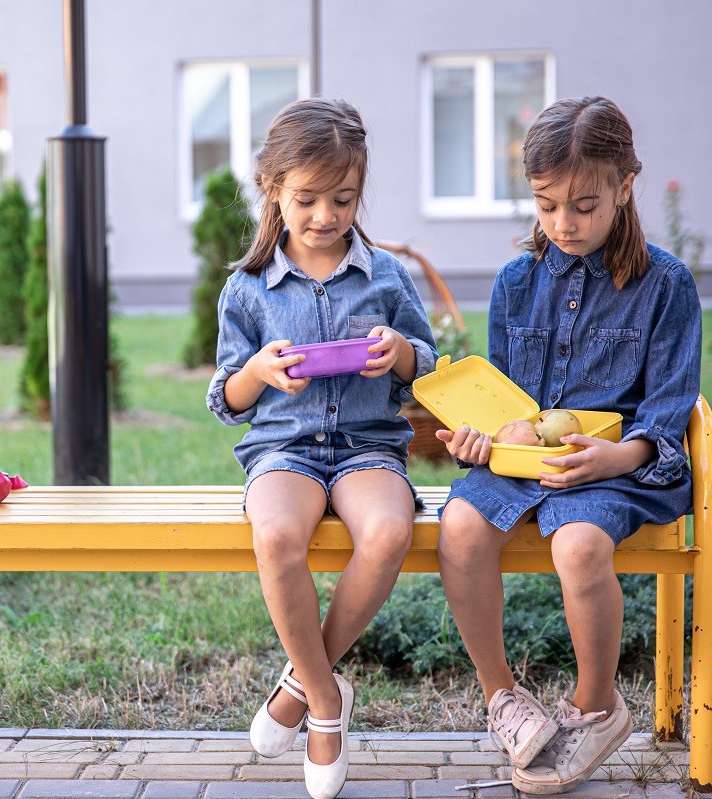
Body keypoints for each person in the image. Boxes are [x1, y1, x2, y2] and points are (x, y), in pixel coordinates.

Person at [436, 96, 701, 795]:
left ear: (624, 186)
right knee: (460, 525)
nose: (564, 224)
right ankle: (505, 701)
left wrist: (620, 454)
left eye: (584, 205)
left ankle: (596, 706)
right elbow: (501, 407)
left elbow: (669, 405)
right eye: (547, 205)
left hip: (617, 470)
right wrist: (484, 438)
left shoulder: (666, 285)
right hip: (526, 466)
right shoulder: (515, 282)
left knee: (578, 545)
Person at [206, 97, 437, 799]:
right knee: (275, 535)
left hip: (369, 446)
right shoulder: (247, 288)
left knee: (391, 529)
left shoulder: (386, 275)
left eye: (343, 198)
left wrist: (400, 352)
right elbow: (224, 398)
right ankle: (328, 702)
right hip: (286, 447)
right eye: (306, 199)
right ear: (272, 187)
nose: (324, 216)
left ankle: (300, 681)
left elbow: (429, 367)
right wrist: (258, 372)